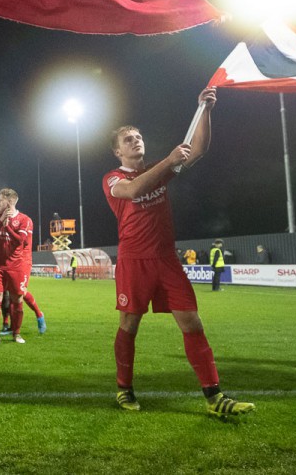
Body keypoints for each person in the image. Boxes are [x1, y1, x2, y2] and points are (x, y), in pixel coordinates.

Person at [103, 88, 253, 417]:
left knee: (192, 321)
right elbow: (134, 189)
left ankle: (214, 397)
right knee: (129, 323)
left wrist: (205, 109)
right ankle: (124, 389)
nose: (135, 140)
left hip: (166, 260)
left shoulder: (162, 168)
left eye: (138, 136)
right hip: (134, 261)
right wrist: (169, 162)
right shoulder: (114, 178)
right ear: (118, 151)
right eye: (128, 139)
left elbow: (198, 149)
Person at [0, 188, 45, 343]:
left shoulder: (24, 219)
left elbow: (20, 240)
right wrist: (1, 222)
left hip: (17, 265)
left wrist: (7, 227)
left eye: (0, 200)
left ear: (10, 201)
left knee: (17, 297)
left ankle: (17, 333)